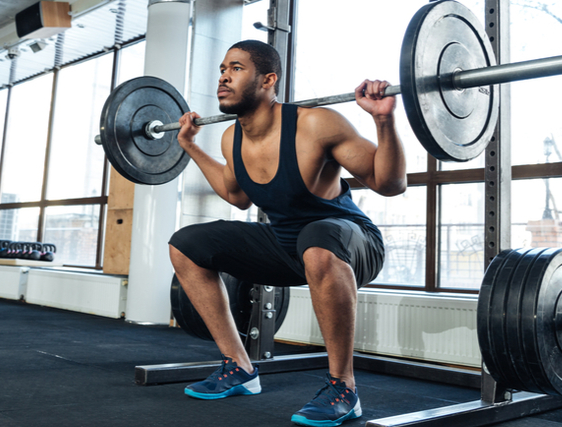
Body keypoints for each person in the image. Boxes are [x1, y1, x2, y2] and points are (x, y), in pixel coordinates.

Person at [168, 40, 406, 427]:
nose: (223, 76)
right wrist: (190, 147)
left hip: (351, 244)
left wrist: (383, 121)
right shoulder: (232, 138)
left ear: (268, 79)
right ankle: (239, 366)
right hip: (288, 246)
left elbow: (389, 183)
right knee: (186, 244)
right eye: (222, 69)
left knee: (318, 239)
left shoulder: (315, 124)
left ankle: (343, 387)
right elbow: (236, 195)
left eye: (236, 68)